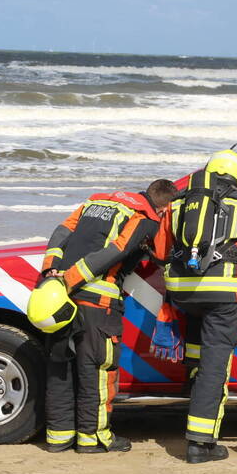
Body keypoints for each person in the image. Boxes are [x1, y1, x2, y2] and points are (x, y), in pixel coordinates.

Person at [152, 150, 237, 463]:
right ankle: (200, 443)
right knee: (215, 366)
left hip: (183, 294)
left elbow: (159, 250)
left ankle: (190, 396)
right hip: (223, 296)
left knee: (197, 355)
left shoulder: (179, 202)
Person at [39, 179, 178, 453]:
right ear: (163, 209)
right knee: (98, 370)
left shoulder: (95, 201)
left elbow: (62, 231)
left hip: (58, 299)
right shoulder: (144, 218)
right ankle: (94, 438)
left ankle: (59, 437)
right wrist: (72, 278)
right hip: (97, 302)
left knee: (61, 368)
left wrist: (51, 270)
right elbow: (119, 249)